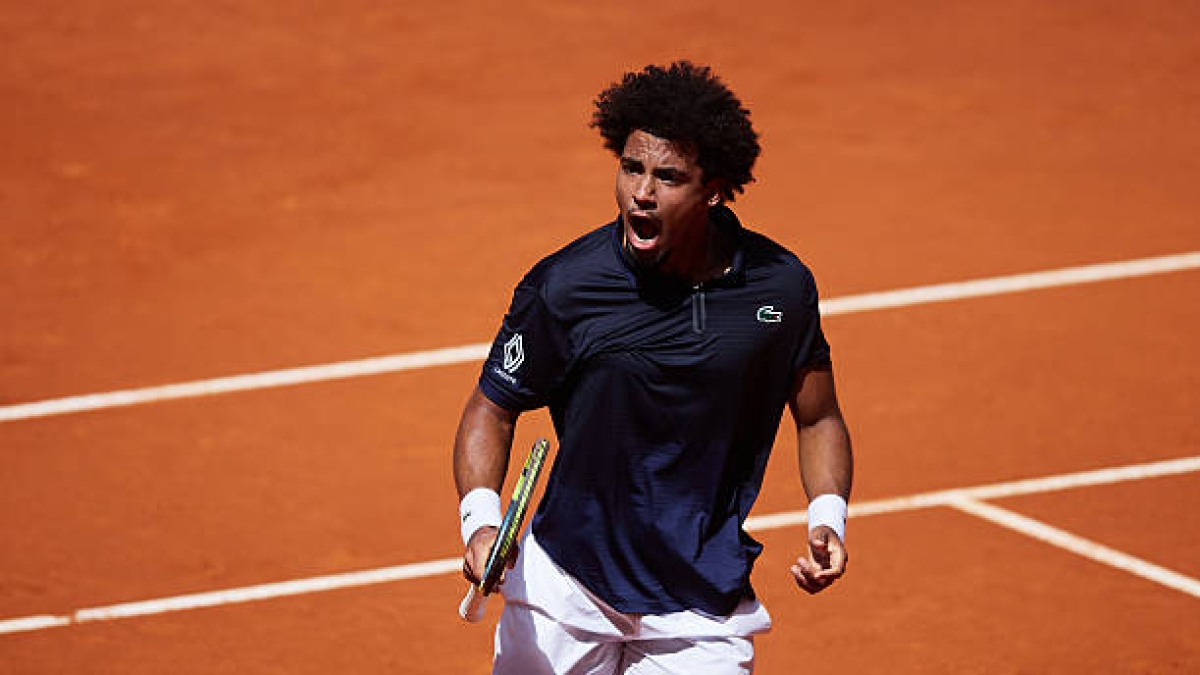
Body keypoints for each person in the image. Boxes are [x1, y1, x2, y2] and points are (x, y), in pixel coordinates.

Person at [453, 61, 853, 674]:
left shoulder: (781, 290)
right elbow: (493, 408)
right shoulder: (567, 287)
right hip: (567, 582)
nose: (642, 191)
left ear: (713, 189)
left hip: (700, 600)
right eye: (631, 167)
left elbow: (818, 415)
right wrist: (481, 524)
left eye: (667, 176)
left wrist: (829, 515)